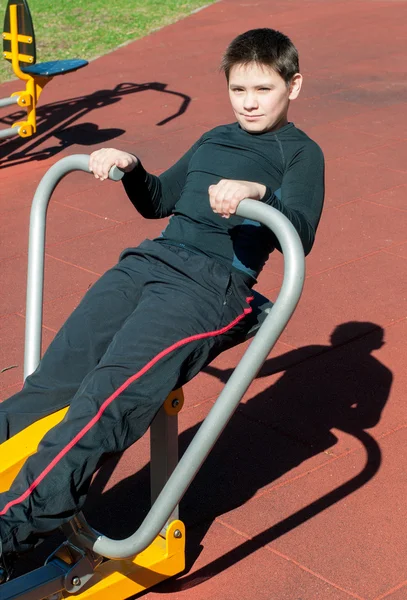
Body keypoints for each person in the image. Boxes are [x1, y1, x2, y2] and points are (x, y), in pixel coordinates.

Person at [0, 27, 324, 581]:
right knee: (48, 388)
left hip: (207, 288)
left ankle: (11, 530)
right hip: (147, 263)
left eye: (263, 90)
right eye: (238, 89)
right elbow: (158, 200)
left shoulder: (300, 154)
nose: (248, 102)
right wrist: (128, 167)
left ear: (292, 86)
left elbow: (299, 232)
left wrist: (257, 194)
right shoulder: (214, 137)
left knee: (107, 399)